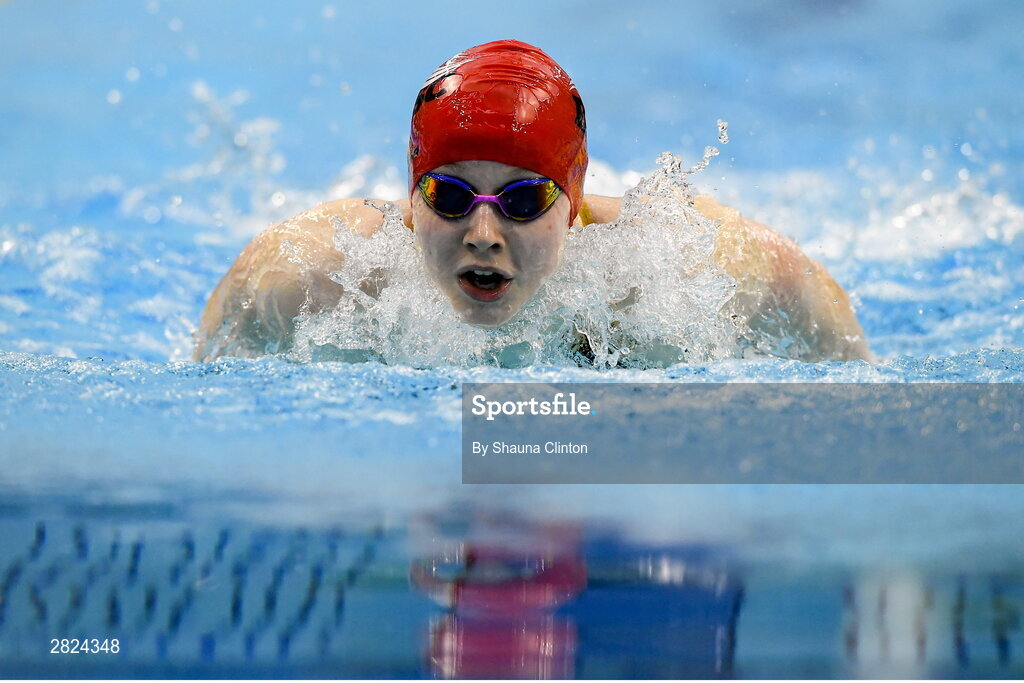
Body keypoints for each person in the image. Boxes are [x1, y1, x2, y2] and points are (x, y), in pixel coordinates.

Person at [193, 40, 871, 364]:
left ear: (571, 202)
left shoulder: (678, 271)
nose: (482, 231)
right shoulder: (310, 275)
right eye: (449, 194)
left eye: (523, 199)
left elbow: (844, 356)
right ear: (412, 194)